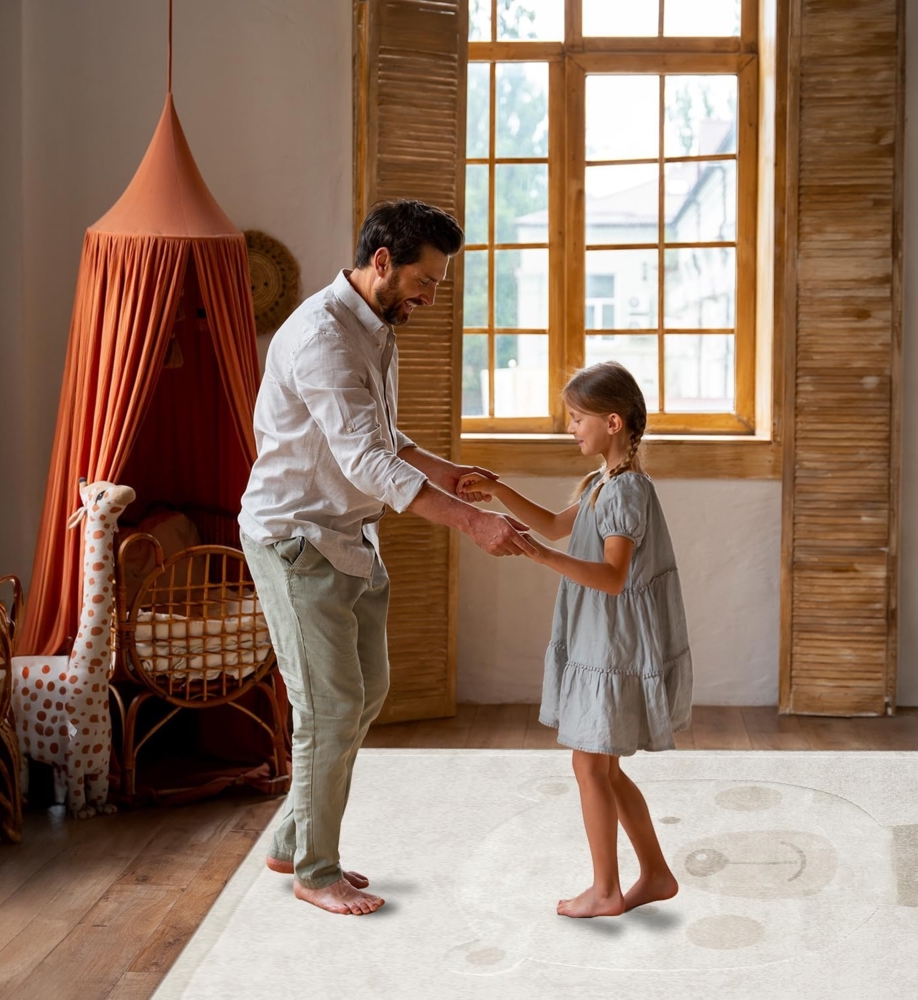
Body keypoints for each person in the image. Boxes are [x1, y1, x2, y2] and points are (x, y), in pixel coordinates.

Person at [239, 199, 535, 916]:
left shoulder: (376, 328)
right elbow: (368, 462)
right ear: (382, 262)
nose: (431, 298)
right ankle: (314, 869)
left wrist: (448, 473)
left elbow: (387, 440)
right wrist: (468, 521)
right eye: (425, 282)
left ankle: (289, 837)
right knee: (329, 708)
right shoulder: (322, 339)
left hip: (350, 535)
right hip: (295, 539)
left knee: (366, 694)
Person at [458, 360, 692, 918]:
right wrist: (497, 490)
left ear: (612, 422)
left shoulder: (628, 491)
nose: (571, 428)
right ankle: (655, 875)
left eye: (576, 418)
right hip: (596, 637)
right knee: (603, 767)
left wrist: (537, 556)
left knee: (590, 767)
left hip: (610, 644)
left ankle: (607, 890)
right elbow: (557, 524)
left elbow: (613, 577)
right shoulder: (601, 482)